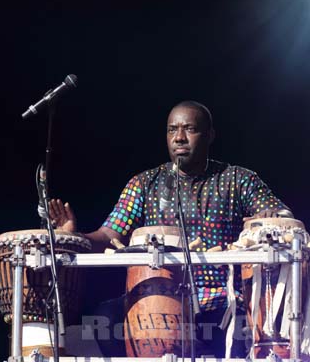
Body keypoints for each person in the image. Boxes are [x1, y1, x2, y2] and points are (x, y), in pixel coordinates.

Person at [49, 100, 293, 357]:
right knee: (105, 318)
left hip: (222, 300)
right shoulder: (144, 184)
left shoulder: (238, 179)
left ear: (209, 135)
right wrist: (74, 235)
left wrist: (270, 216)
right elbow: (108, 236)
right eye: (172, 130)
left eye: (189, 129)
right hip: (157, 300)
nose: (179, 138)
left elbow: (282, 213)